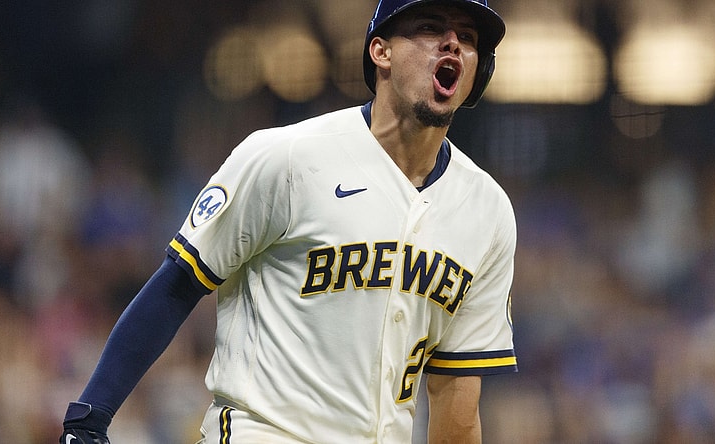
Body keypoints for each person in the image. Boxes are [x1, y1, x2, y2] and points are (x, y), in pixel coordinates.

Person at [60, 0, 516, 442]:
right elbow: (178, 284)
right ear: (381, 51)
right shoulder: (290, 157)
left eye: (469, 38)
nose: (452, 44)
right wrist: (91, 416)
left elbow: (457, 396)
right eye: (432, 27)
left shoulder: (486, 211)